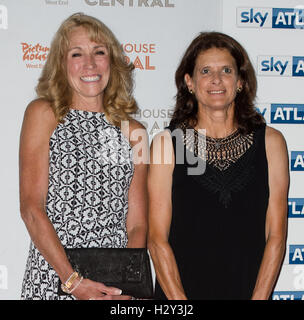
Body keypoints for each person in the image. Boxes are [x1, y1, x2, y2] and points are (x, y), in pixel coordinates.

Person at [148, 32, 289, 300]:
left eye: (226, 70)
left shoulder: (271, 142)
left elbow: (276, 236)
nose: (216, 79)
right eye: (205, 71)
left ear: (240, 81)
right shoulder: (167, 144)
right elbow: (156, 239)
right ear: (189, 81)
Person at [19, 13, 148, 300]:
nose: (89, 63)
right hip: (54, 279)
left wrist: (124, 286)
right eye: (77, 53)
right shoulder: (44, 114)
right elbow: (31, 207)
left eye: (99, 52)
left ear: (111, 62)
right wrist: (73, 282)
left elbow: (137, 223)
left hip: (114, 288)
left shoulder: (134, 132)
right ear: (61, 65)